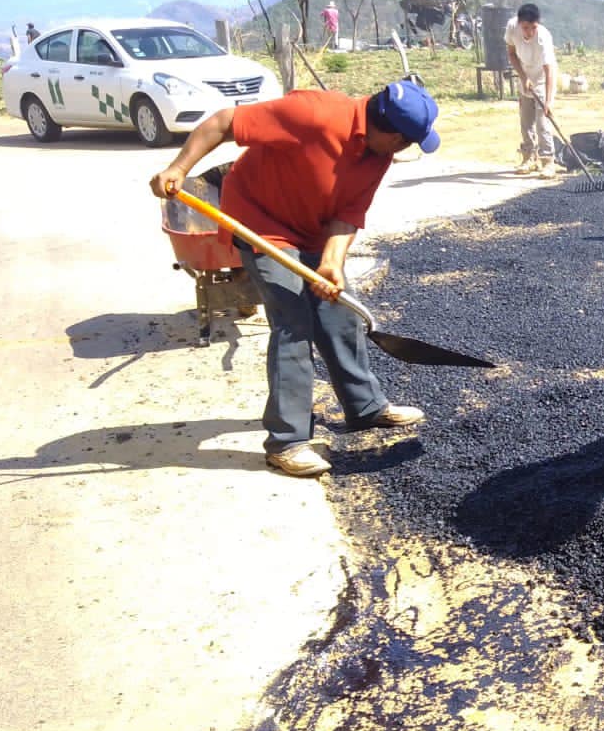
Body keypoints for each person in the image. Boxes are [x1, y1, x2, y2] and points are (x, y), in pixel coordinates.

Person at [148, 82, 439, 478]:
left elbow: (351, 210)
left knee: (341, 313)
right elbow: (222, 123)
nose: (406, 150)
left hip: (313, 229)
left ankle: (365, 408)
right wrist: (178, 168)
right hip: (260, 222)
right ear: (390, 133)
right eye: (407, 142)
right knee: (294, 320)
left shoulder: (379, 153)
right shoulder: (313, 113)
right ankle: (286, 442)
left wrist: (332, 262)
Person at [505, 3, 559, 178]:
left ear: (538, 24)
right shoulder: (512, 28)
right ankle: (529, 158)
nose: (529, 32)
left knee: (542, 122)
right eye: (526, 28)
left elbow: (549, 70)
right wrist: (523, 76)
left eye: (533, 27)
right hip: (525, 76)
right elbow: (512, 54)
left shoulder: (543, 38)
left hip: (542, 79)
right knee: (526, 121)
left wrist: (549, 102)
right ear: (520, 24)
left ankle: (548, 161)